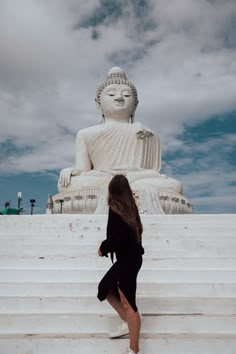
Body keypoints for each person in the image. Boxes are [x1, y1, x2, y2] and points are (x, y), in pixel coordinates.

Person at [97, 174, 144, 354]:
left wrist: (103, 248)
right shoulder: (128, 208)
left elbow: (117, 238)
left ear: (113, 191)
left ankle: (134, 350)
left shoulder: (117, 209)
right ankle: (127, 323)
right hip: (130, 258)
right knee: (106, 288)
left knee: (128, 301)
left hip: (129, 259)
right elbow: (124, 236)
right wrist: (108, 246)